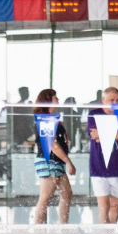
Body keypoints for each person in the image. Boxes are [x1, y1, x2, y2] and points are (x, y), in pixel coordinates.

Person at [87, 87, 118, 224]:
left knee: (115, 205)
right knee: (103, 207)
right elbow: (95, 136)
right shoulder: (94, 114)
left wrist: (103, 134)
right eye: (112, 100)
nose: (115, 103)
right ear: (103, 99)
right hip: (98, 166)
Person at [33, 89, 75, 224]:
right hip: (49, 161)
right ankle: (37, 231)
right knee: (45, 197)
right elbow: (52, 145)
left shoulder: (51, 119)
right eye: (55, 98)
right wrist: (68, 161)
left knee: (67, 194)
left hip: (56, 162)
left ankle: (64, 227)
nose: (58, 99)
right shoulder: (45, 120)